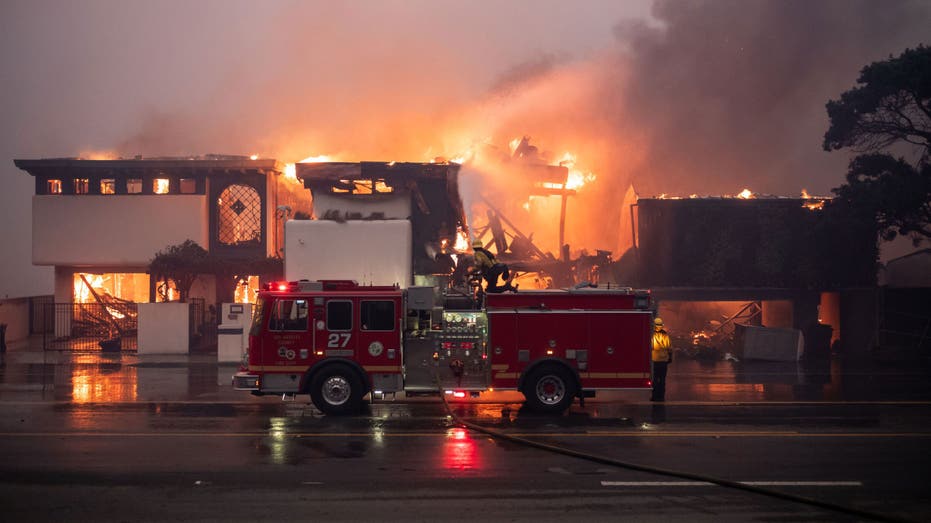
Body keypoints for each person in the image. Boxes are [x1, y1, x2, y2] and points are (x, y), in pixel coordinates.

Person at [651, 317, 672, 401]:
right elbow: (669, 347)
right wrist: (670, 357)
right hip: (663, 361)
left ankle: (654, 396)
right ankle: (661, 397)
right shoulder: (665, 334)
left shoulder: (651, 334)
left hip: (654, 360)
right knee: (662, 379)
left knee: (655, 379)